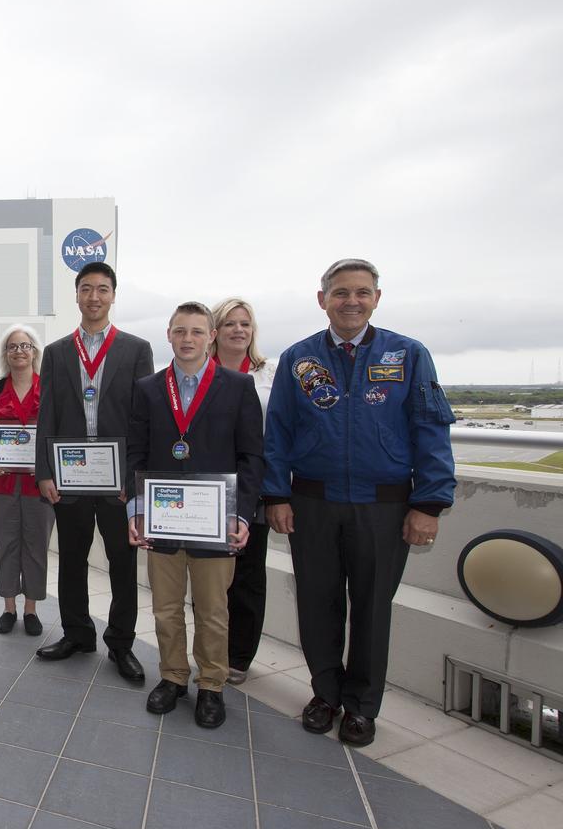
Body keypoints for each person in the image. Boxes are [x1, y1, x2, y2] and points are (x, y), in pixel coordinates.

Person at [264, 258, 456, 747]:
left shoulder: (408, 354)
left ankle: (362, 707)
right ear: (322, 298)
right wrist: (277, 495)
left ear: (376, 298)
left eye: (362, 292)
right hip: (313, 504)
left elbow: (430, 430)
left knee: (372, 608)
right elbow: (278, 433)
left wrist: (428, 503)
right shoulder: (297, 358)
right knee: (317, 603)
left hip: (385, 508)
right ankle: (325, 694)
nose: (352, 301)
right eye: (341, 292)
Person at [127, 302, 264, 728]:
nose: (188, 339)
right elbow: (136, 453)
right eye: (180, 331)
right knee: (166, 608)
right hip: (164, 520)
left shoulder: (238, 386)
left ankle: (211, 685)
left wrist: (240, 515)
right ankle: (172, 676)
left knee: (212, 611)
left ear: (211, 337)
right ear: (168, 334)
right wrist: (137, 510)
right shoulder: (148, 388)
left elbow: (252, 457)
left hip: (214, 522)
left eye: (197, 332)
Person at [35, 261, 153, 683]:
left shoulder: (136, 349)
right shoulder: (57, 352)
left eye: (103, 289)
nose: (94, 297)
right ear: (77, 295)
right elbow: (46, 415)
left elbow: (141, 420)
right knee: (71, 559)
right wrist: (44, 471)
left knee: (123, 563)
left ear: (113, 295)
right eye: (87, 289)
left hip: (117, 482)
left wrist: (134, 479)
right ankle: (77, 634)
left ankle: (121, 644)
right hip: (69, 479)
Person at [210, 297, 279, 685]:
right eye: (230, 323)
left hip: (253, 486)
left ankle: (239, 655)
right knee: (209, 575)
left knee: (249, 575)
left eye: (245, 323)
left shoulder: (272, 372)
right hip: (210, 488)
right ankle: (211, 646)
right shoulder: (200, 371)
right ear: (215, 330)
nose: (239, 330)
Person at [0, 325, 54, 636]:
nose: (19, 351)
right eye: (12, 347)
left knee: (37, 547)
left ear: (35, 352)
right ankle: (9, 607)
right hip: (3, 485)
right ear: (5, 354)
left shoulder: (50, 391)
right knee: (6, 545)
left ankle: (31, 608)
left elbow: (57, 437)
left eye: (25, 346)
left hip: (40, 486)